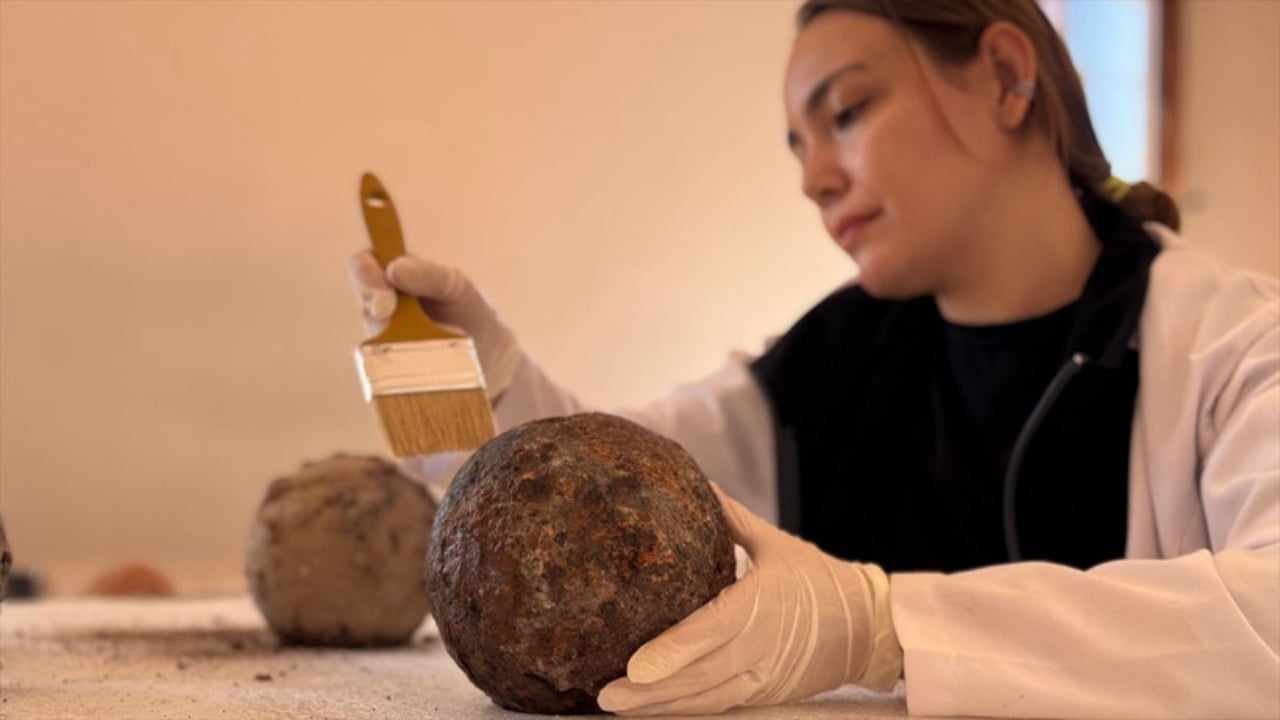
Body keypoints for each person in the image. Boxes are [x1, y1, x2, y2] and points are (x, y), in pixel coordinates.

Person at [348, 0, 1279, 717]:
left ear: (1003, 75)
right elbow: (609, 504)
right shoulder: (832, 363)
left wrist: (882, 628)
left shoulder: (1231, 349)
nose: (812, 178)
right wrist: (491, 381)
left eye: (847, 112)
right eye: (798, 146)